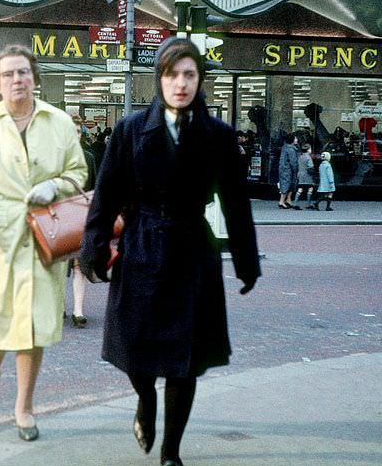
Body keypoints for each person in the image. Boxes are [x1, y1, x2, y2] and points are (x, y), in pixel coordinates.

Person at [79, 38, 260, 466]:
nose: (180, 84)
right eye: (172, 75)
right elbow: (105, 195)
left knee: (185, 361)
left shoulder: (218, 136)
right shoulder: (130, 130)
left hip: (193, 254)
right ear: (159, 79)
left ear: (199, 80)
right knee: (135, 354)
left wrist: (247, 262)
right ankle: (145, 402)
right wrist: (94, 247)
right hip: (142, 247)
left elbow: (235, 202)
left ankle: (170, 452)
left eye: (189, 75)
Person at [0, 44, 87, 442]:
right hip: (0, 241)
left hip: (45, 239)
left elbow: (78, 171)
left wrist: (54, 185)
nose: (18, 80)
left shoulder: (58, 122)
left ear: (34, 77)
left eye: (23, 72)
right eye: (8, 75)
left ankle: (24, 406)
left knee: (35, 328)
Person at [67, 120, 97, 328]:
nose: (75, 134)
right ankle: (59, 306)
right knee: (59, 266)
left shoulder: (88, 158)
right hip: (59, 218)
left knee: (80, 265)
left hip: (80, 218)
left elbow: (95, 187)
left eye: (78, 131)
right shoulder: (54, 157)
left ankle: (78, 310)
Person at [278, 133, 298, 209]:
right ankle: (281, 201)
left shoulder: (285, 148)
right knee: (286, 184)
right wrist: (296, 169)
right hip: (288, 170)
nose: (297, 140)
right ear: (292, 140)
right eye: (295, 138)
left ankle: (288, 200)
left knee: (290, 185)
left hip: (284, 169)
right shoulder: (291, 149)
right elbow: (293, 162)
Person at [293, 143, 317, 210]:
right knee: (310, 188)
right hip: (307, 175)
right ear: (308, 150)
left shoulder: (300, 156)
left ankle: (295, 203)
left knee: (300, 189)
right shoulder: (308, 158)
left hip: (300, 174)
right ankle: (308, 204)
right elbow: (310, 167)